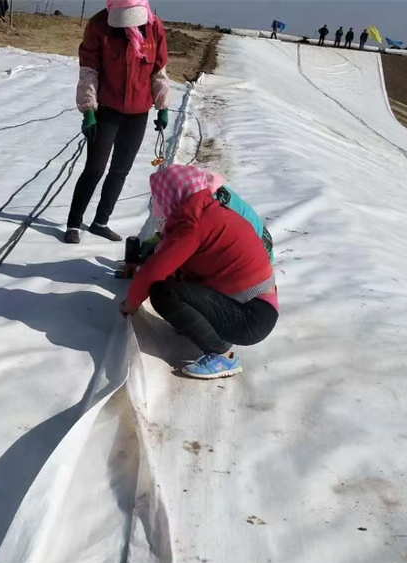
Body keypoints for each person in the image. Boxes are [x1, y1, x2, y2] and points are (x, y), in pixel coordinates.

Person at [119, 165, 278, 379]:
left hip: (252, 317)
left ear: (171, 196)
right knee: (175, 281)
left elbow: (153, 273)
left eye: (158, 198)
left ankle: (222, 355)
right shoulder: (207, 211)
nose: (156, 205)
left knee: (163, 292)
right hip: (251, 307)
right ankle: (207, 330)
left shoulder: (193, 224)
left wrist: (130, 305)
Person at [65, 0, 170, 244]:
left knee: (120, 170)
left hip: (138, 112)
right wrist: (88, 110)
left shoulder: (154, 28)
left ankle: (101, 222)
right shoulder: (99, 25)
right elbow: (89, 72)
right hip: (107, 110)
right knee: (95, 169)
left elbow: (159, 71)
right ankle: (73, 223)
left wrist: (162, 106)